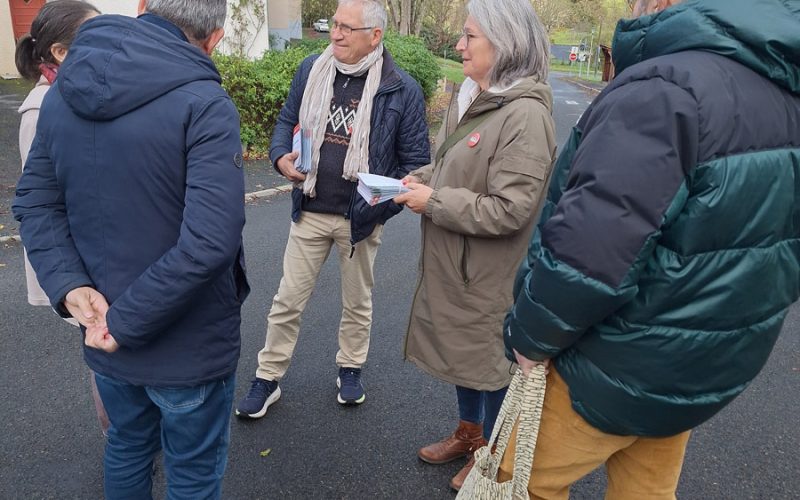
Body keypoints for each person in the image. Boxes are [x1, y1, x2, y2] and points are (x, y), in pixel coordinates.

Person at [502, 0, 800, 498]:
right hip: (698, 369)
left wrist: (529, 336)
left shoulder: (666, 89)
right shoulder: (786, 97)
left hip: (609, 364)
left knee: (516, 481)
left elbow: (589, 255)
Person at [13, 0, 248, 497]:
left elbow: (35, 200)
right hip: (181, 344)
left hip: (103, 330)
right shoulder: (204, 102)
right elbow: (210, 241)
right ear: (215, 39)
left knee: (127, 445)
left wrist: (70, 285)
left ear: (146, 11)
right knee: (192, 473)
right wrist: (113, 316)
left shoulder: (64, 91)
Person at [235, 0, 429, 417]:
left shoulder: (401, 89)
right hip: (310, 207)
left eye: (346, 27)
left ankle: (350, 368)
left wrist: (380, 209)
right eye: (334, 25)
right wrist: (279, 157)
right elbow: (286, 122)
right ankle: (267, 378)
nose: (335, 34)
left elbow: (415, 164)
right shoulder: (311, 70)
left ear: (374, 37)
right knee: (286, 300)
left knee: (358, 303)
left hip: (360, 218)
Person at [393, 0, 556, 491]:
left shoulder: (525, 115)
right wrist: (416, 179)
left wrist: (434, 200)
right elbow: (450, 168)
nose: (458, 45)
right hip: (457, 264)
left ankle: (490, 454)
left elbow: (511, 210)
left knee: (489, 362)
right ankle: (469, 435)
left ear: (504, 44)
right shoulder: (473, 95)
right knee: (464, 354)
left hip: (488, 271)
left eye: (469, 37)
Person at [14, 0, 110, 438]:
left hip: (93, 254)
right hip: (77, 264)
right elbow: (47, 202)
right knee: (101, 351)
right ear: (60, 53)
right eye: (96, 37)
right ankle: (120, 438)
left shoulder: (72, 95)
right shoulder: (41, 110)